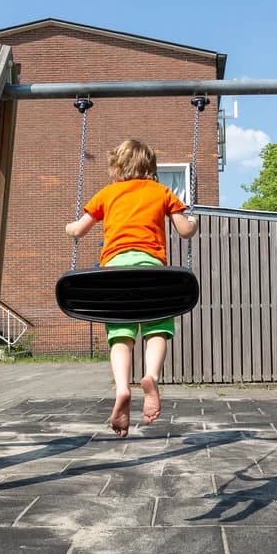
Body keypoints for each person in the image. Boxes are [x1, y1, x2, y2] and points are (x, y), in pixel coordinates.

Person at [65, 139, 199, 437]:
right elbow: (185, 230)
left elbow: (79, 229)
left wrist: (69, 229)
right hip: (152, 273)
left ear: (116, 167)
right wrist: (195, 221)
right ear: (151, 168)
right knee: (157, 330)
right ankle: (150, 376)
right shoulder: (162, 192)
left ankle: (123, 388)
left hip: (114, 274)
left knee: (120, 337)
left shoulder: (106, 194)